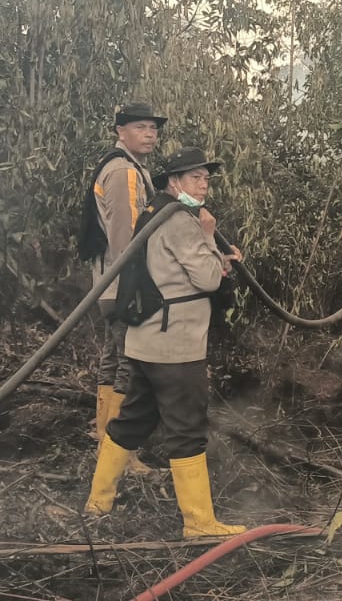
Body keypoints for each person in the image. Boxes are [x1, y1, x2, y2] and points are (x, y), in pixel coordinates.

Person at [85, 147, 247, 537]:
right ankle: (199, 522)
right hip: (175, 346)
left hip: (145, 342)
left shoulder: (154, 212)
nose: (203, 185)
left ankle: (98, 502)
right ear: (174, 182)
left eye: (206, 178)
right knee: (188, 427)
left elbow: (173, 271)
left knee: (133, 420)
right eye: (194, 178)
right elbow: (207, 279)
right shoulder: (181, 220)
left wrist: (219, 258)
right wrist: (208, 239)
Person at [76, 103, 164, 475]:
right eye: (141, 127)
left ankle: (105, 442)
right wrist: (144, 285)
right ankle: (119, 454)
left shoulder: (128, 168)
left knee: (114, 359)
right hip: (124, 284)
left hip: (110, 284)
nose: (150, 134)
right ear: (120, 132)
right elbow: (127, 240)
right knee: (130, 364)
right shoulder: (124, 171)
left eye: (153, 128)